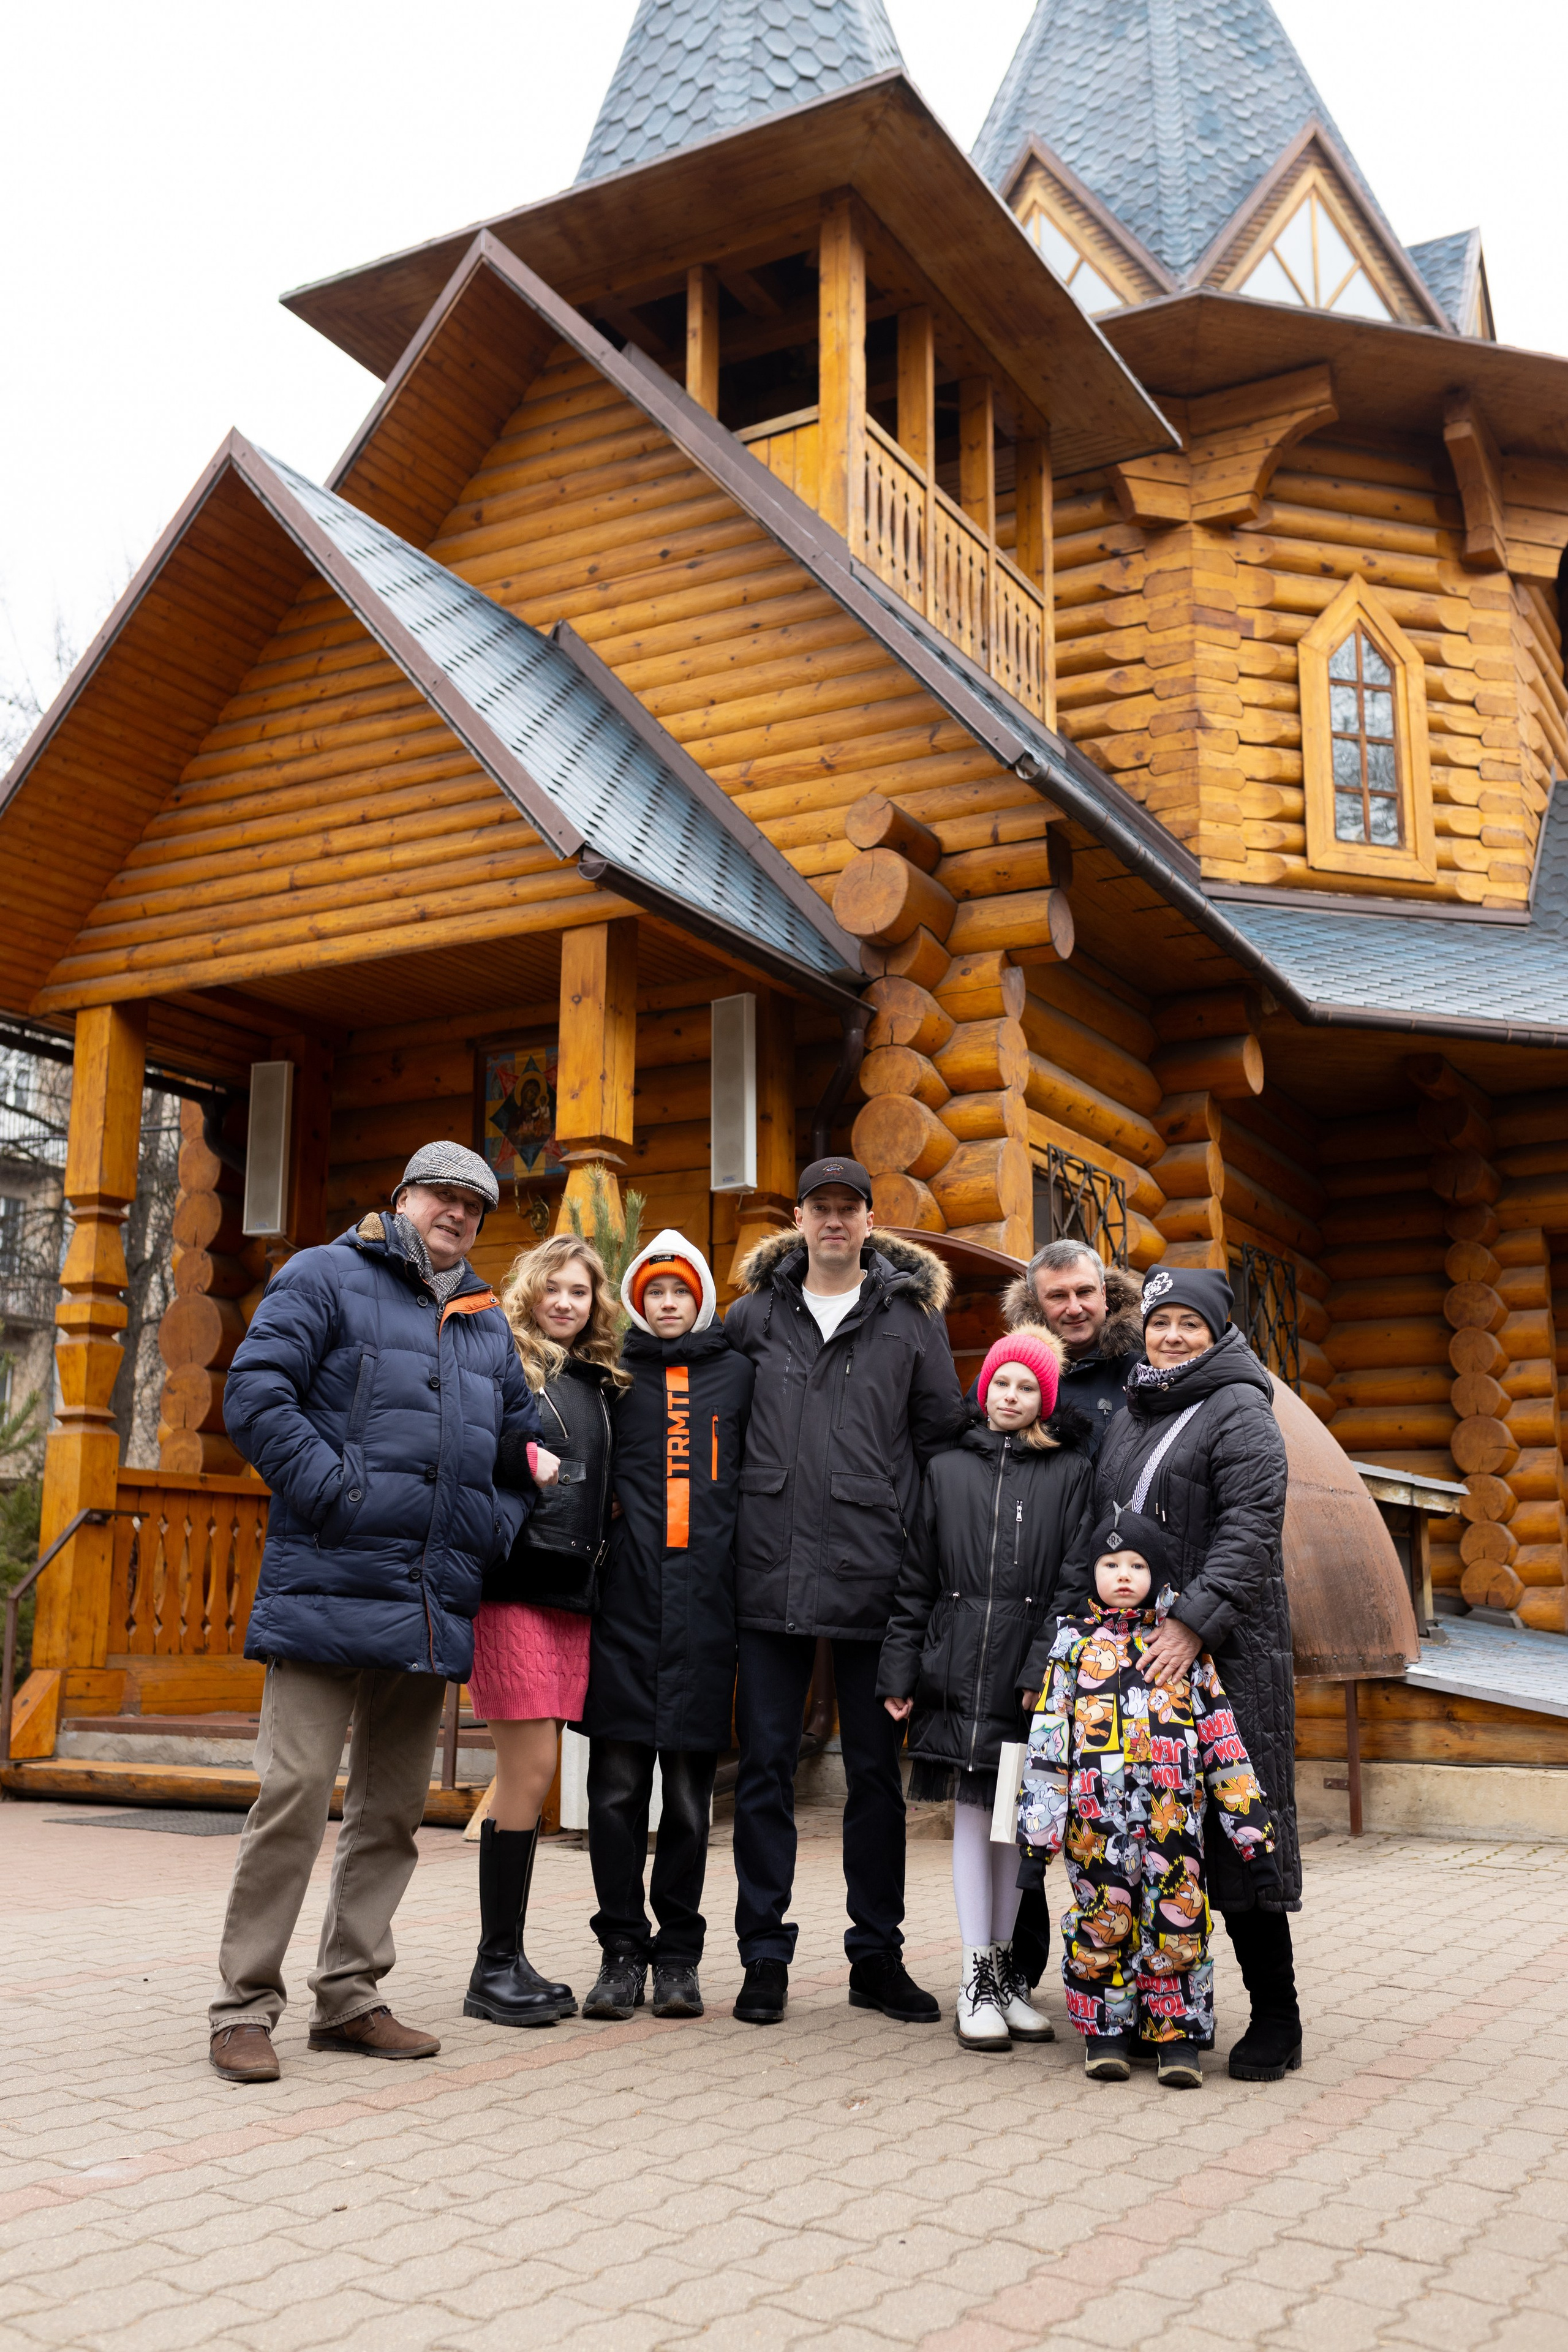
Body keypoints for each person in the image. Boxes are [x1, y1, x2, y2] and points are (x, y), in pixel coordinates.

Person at [209, 1142, 540, 2084]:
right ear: (402, 1199)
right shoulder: (323, 1275)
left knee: (392, 1810)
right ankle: (243, 2007)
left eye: (474, 1204)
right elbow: (255, 1395)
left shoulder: (484, 1324)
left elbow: (527, 1452)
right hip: (325, 1581)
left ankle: (350, 1996)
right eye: (442, 1194)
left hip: (427, 1598)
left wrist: (486, 1529)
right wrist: (338, 1491)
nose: (457, 1213)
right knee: (293, 1796)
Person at [1036, 1263, 1302, 2082]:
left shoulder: (1240, 1409)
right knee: (1143, 1837)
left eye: (1191, 1322)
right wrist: (1071, 1628)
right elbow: (1100, 1533)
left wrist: (1192, 1624)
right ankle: (1152, 2010)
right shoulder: (1135, 1413)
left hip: (1227, 1651)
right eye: (1161, 1322)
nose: (1174, 1335)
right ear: (1143, 1330)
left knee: (1237, 1832)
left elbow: (1252, 1528)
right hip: (1131, 1662)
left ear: (1218, 1330)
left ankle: (1278, 2016)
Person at [723, 1158, 962, 2026]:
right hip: (768, 1574)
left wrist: (937, 1562)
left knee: (873, 1779)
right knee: (765, 1771)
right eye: (820, 1207)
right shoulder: (752, 1318)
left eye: (848, 1209)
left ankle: (877, 1957)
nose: (834, 1221)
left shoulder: (909, 1321)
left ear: (868, 1221)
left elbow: (942, 1438)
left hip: (875, 1578)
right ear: (800, 1217)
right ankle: (762, 1954)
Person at [877, 1331, 1095, 2052]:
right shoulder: (944, 1470)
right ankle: (974, 1978)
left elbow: (1072, 1583)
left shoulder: (1069, 1473)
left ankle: (1003, 1976)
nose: (1009, 1396)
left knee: (1013, 1829)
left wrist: (1042, 1668)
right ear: (984, 1390)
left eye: (1025, 1388)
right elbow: (915, 1578)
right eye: (1000, 1383)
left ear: (1044, 1400)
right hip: (957, 1668)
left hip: (1023, 1682)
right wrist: (899, 1669)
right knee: (973, 1819)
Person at [1018, 1513, 1279, 2087]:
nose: (1124, 1575)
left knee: (1178, 1927)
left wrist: (1254, 1838)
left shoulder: (1182, 1649)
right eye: (1111, 1565)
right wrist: (1035, 1842)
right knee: (1101, 1922)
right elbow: (1048, 1745)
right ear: (1092, 1575)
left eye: (1137, 1565)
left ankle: (1177, 2039)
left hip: (1173, 1824)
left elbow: (1223, 1744)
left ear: (1157, 1576)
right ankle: (1105, 2034)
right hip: (1096, 1825)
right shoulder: (1071, 1647)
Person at [578, 1231, 755, 2022]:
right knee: (615, 1793)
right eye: (655, 1292)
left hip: (706, 1620)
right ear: (636, 1301)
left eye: (682, 1291)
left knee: (687, 1804)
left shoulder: (737, 1376)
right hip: (624, 1612)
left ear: (703, 1297)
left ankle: (678, 1956)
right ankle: (621, 1951)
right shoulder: (611, 1379)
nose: (670, 1303)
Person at [464, 1233, 627, 2030]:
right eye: (553, 1287)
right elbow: (457, 1430)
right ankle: (494, 1966)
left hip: (574, 1593)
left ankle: (508, 1958)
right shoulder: (504, 1360)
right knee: (527, 1772)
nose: (566, 1301)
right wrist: (516, 1454)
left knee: (536, 1773)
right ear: (528, 1290)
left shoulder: (597, 1381)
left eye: (581, 1291)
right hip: (517, 1586)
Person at [1000, 1240, 1144, 1458]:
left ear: (1103, 1293)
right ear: (1035, 1301)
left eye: (1085, 1292)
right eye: (1058, 1296)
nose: (1075, 1309)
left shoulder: (1146, 1368)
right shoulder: (1006, 1373)